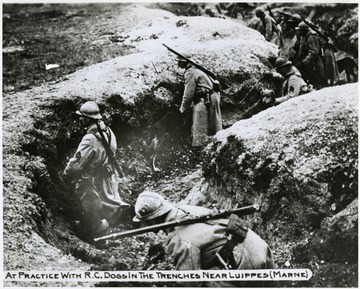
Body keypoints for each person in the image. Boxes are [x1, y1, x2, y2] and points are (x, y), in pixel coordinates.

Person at [133, 191, 276, 287]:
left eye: (145, 222)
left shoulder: (178, 238)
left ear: (152, 220)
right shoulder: (186, 209)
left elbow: (190, 282)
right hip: (258, 246)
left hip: (245, 262)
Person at [64, 101, 130, 240]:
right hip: (107, 176)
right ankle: (120, 215)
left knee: (87, 196)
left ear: (88, 119)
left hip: (93, 179)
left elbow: (76, 163)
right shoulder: (108, 131)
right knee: (111, 202)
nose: (80, 119)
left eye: (82, 117)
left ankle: (97, 229)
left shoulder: (90, 138)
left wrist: (66, 175)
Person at [177, 54, 222, 147]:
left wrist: (182, 109)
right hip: (213, 96)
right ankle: (216, 144)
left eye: (179, 62)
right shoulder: (197, 69)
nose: (178, 64)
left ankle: (201, 147)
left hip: (206, 99)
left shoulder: (190, 72)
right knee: (214, 123)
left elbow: (188, 94)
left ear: (184, 62)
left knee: (199, 126)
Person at [295, 21, 339, 89]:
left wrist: (305, 62)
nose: (299, 32)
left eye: (300, 30)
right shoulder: (306, 36)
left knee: (325, 70)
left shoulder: (311, 37)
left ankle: (327, 84)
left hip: (326, 53)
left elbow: (314, 52)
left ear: (304, 30)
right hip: (322, 52)